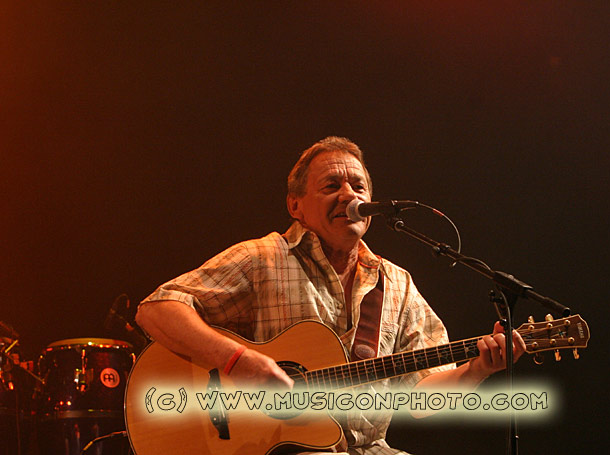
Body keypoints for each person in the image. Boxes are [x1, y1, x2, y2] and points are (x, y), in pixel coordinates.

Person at [135, 136, 526, 455]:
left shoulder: (396, 283)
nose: (348, 195)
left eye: (358, 187)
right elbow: (156, 309)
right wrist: (237, 361)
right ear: (296, 206)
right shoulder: (262, 258)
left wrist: (478, 369)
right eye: (331, 186)